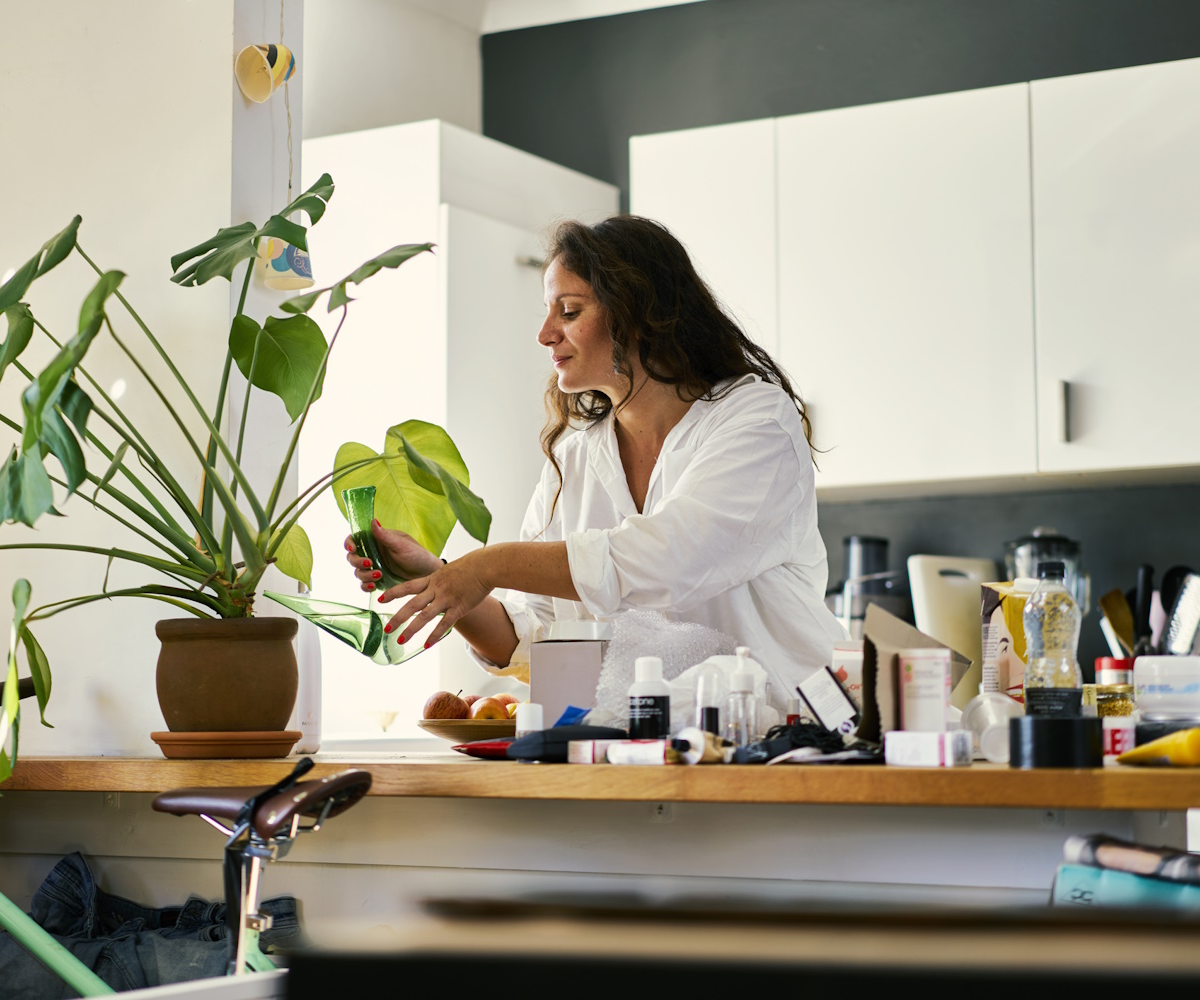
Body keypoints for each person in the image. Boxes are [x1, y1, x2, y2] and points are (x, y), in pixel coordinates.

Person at [343, 216, 844, 700]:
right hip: (638, 753)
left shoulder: (756, 421)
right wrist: (441, 579)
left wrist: (486, 565)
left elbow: (670, 562)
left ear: (639, 314)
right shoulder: (576, 456)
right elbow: (536, 641)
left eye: (570, 311)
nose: (545, 334)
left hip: (782, 745)